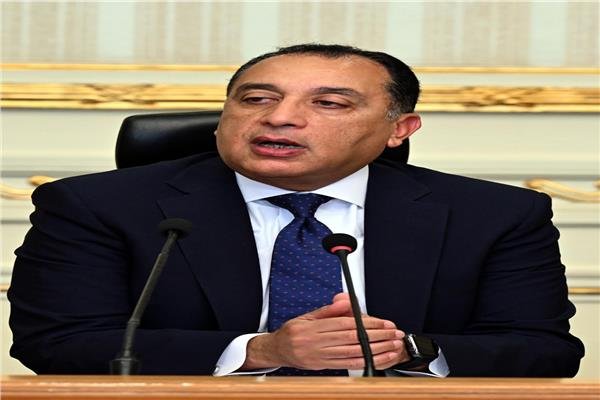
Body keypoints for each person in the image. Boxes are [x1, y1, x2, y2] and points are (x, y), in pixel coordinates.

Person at [8, 44, 583, 377]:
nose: (279, 117)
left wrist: (410, 349)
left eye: (329, 103)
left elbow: (545, 351)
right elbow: (56, 342)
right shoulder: (98, 206)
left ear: (399, 130)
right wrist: (260, 351)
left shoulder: (495, 215)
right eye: (256, 98)